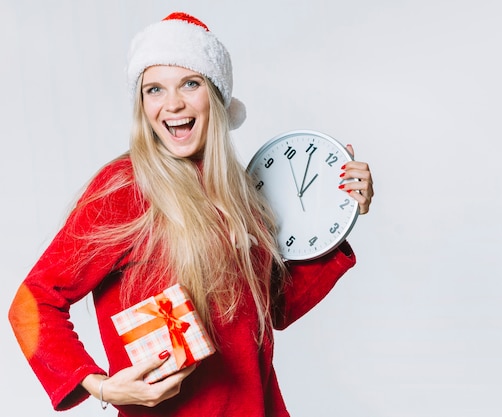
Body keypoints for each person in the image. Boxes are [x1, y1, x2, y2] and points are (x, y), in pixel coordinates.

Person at [8, 11, 374, 417]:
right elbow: (31, 302)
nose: (173, 104)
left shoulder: (239, 190)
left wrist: (338, 217)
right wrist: (101, 386)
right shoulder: (126, 189)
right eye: (154, 90)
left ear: (216, 95)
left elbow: (273, 309)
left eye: (190, 83)